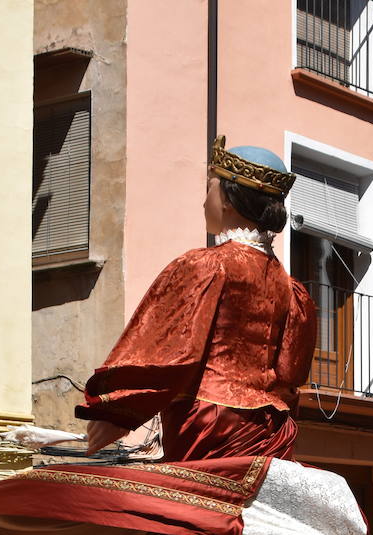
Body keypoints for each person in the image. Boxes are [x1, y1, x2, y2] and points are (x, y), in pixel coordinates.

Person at [80, 136, 316, 462]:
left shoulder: (207, 266)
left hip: (210, 422)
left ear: (229, 199)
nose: (205, 201)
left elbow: (169, 353)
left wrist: (119, 412)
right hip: (268, 428)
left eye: (210, 188)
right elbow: (291, 372)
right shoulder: (290, 288)